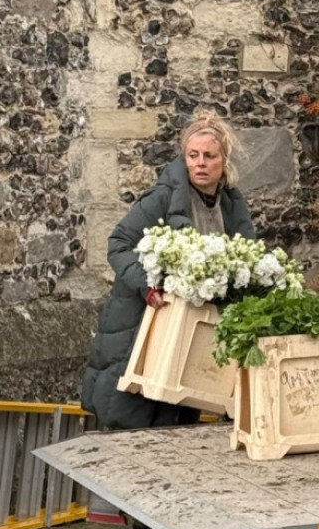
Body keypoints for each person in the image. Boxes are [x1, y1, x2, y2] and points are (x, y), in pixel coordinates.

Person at [81, 110, 256, 430]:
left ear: (224, 160)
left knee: (177, 416)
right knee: (131, 418)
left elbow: (246, 256)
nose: (200, 163)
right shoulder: (164, 196)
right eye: (193, 155)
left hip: (191, 331)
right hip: (143, 320)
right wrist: (148, 284)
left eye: (209, 156)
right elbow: (118, 243)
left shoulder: (231, 204)